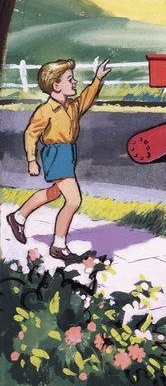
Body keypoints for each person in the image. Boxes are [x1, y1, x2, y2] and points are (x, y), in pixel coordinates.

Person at [6, 57, 112, 262]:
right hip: (55, 154)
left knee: (55, 192)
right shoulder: (45, 111)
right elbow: (31, 134)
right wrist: (31, 159)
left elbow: (86, 98)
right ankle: (58, 245)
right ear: (56, 85)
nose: (75, 82)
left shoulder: (72, 106)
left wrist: (97, 79)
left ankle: (18, 217)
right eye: (70, 79)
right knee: (74, 200)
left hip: (68, 152)